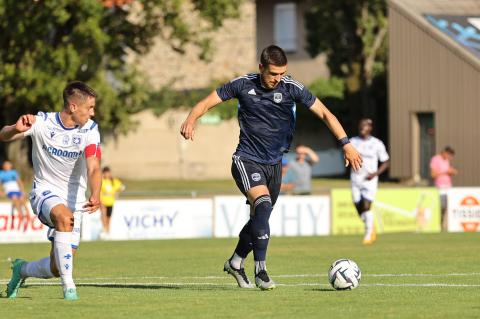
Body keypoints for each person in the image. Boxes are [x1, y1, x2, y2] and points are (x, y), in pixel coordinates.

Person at [180, 45, 362, 290]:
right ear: (261, 68)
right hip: (246, 159)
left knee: (260, 217)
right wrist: (192, 119)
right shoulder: (242, 85)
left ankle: (235, 262)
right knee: (263, 205)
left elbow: (325, 113)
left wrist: (346, 144)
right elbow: (206, 103)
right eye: (273, 74)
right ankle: (261, 271)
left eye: (282, 73)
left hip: (275, 163)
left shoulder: (291, 87)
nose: (278, 79)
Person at [0, 81, 101, 300]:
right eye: (89, 108)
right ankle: (70, 289)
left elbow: (94, 166)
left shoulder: (90, 131)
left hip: (75, 201)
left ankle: (22, 269)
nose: (93, 113)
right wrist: (14, 129)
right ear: (73, 107)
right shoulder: (42, 122)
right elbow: (3, 135)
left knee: (57, 267)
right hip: (44, 192)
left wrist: (96, 192)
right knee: (64, 217)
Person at [350, 118, 389, 245]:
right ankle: (370, 224)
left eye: (365, 126)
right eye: (361, 126)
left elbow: (386, 161)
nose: (362, 128)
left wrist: (375, 173)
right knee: (358, 206)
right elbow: (347, 154)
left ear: (370, 128)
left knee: (366, 206)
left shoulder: (377, 143)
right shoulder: (352, 141)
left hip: (370, 179)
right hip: (356, 178)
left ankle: (368, 233)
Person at [430, 146, 457, 231]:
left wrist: (452, 172)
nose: (449, 158)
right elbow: (433, 174)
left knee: (448, 207)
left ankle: (445, 227)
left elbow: (447, 171)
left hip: (448, 187)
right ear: (445, 152)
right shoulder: (435, 159)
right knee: (441, 207)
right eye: (449, 155)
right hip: (440, 188)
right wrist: (446, 171)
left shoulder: (447, 161)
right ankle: (438, 225)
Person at [0, 160, 30, 228]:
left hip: (16, 188)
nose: (6, 166)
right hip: (9, 190)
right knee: (14, 198)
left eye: (8, 165)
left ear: (10, 166)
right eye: (5, 165)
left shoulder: (13, 172)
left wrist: (22, 191)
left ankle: (28, 216)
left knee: (22, 200)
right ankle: (21, 215)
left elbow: (19, 182)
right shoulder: (1, 173)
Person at [100, 166, 125, 239]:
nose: (107, 174)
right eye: (105, 173)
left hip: (111, 201)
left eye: (108, 173)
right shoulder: (101, 181)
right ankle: (104, 230)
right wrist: (100, 199)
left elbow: (121, 187)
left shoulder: (114, 181)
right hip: (103, 201)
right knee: (103, 215)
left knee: (108, 217)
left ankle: (108, 231)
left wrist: (118, 190)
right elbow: (99, 190)